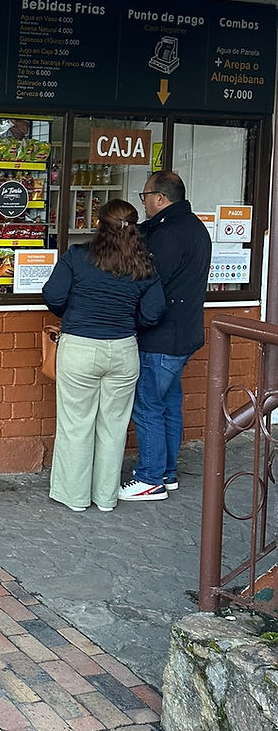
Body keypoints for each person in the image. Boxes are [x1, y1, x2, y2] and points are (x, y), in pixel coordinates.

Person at [43, 199, 165, 513]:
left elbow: (53, 295)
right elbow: (153, 313)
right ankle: (106, 498)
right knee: (114, 427)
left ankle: (76, 497)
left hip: (81, 347)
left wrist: (75, 314)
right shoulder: (144, 265)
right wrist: (126, 322)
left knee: (76, 424)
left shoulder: (78, 256)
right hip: (124, 350)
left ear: (99, 225)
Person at [119, 171, 212, 501]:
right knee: (168, 405)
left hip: (162, 337)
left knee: (147, 407)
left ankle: (149, 478)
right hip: (184, 334)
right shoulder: (193, 227)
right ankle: (167, 473)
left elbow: (149, 284)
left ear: (160, 198)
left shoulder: (168, 234)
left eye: (144, 197)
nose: (142, 202)